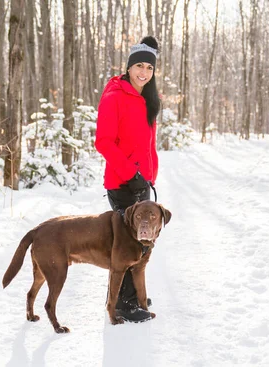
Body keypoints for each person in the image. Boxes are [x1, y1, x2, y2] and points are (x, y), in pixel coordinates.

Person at [94, 36, 161, 323]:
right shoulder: (115, 96)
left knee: (140, 243)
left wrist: (148, 175)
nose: (144, 72)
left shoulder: (147, 99)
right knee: (125, 245)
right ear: (129, 67)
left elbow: (147, 144)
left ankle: (133, 295)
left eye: (149, 67)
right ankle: (123, 305)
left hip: (141, 182)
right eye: (139, 66)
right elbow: (104, 142)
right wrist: (131, 173)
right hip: (122, 182)